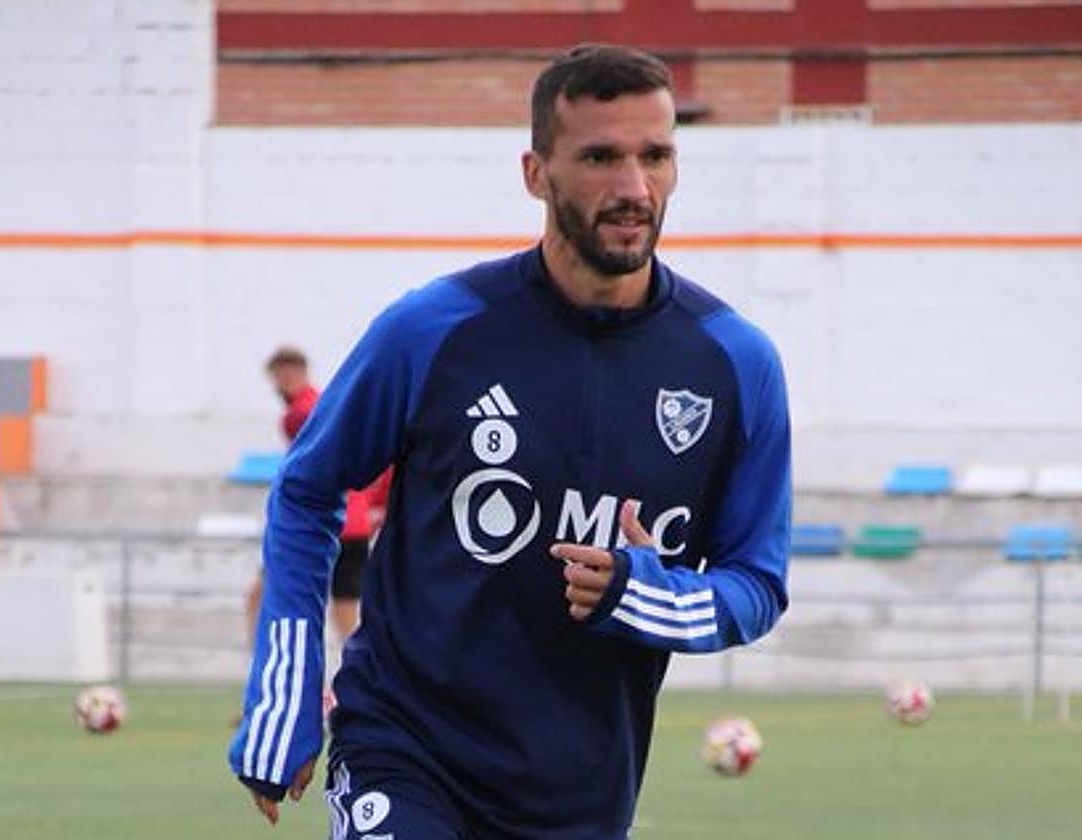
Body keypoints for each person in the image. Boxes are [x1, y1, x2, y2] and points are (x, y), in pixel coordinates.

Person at [230, 43, 791, 838]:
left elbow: (756, 585)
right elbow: (308, 488)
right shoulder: (433, 330)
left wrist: (651, 597)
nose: (633, 188)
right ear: (536, 172)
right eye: (599, 157)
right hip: (406, 746)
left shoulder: (736, 364)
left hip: (581, 791)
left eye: (655, 156)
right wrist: (285, 693)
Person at [247, 347, 390, 647]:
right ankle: (351, 676)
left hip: (321, 522)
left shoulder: (301, 414)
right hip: (353, 523)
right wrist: (374, 506)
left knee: (274, 597)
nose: (283, 383)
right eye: (279, 377)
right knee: (346, 606)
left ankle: (260, 662)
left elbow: (304, 473)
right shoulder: (330, 405)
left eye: (288, 375)